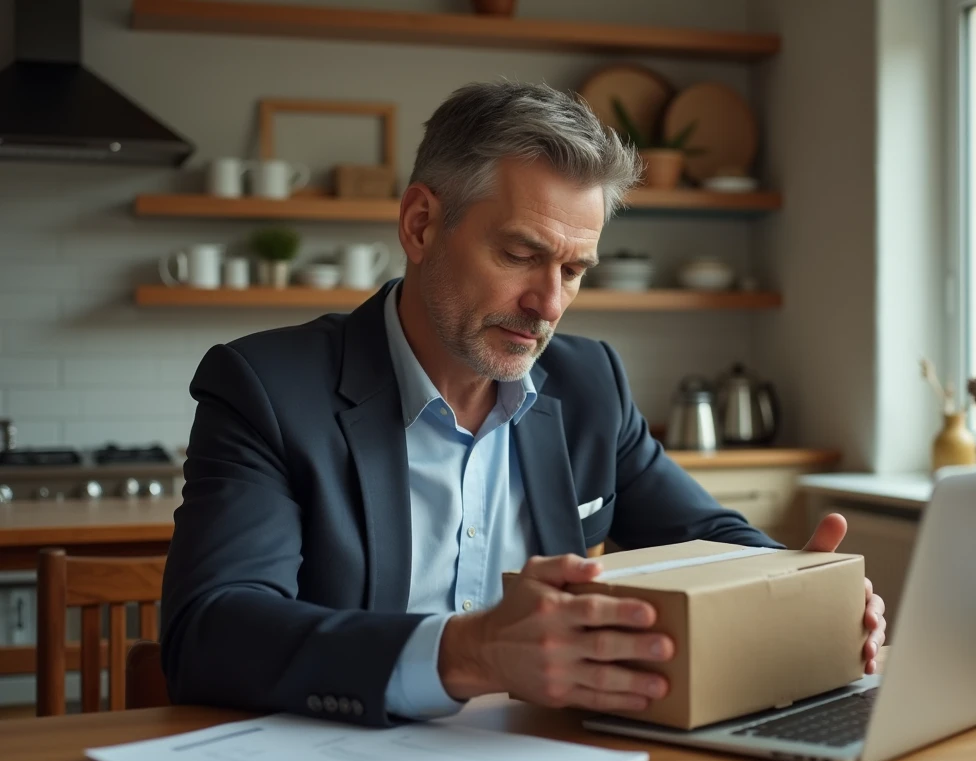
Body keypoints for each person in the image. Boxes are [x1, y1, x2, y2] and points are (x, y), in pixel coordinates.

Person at [160, 81, 886, 727]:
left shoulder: (589, 382)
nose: (549, 304)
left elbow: (707, 532)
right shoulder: (264, 387)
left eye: (574, 270)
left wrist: (804, 589)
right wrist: (470, 652)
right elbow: (211, 632)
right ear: (419, 226)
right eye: (519, 255)